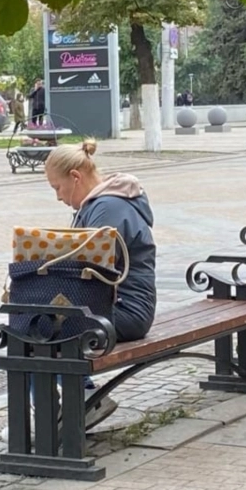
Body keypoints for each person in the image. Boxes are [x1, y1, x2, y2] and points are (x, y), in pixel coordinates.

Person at [46, 139, 156, 342]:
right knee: (37, 323)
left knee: (40, 329)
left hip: (126, 311)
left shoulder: (107, 208)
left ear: (75, 177)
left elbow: (91, 270)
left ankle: (73, 375)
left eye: (58, 187)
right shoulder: (101, 204)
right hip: (119, 307)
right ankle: (71, 375)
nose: (58, 197)